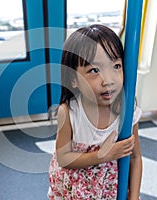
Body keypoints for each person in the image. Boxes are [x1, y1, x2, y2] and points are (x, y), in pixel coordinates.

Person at [47, 24, 142, 199]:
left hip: (108, 191)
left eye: (116, 66)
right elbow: (64, 158)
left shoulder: (127, 111)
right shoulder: (69, 112)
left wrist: (134, 196)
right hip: (75, 191)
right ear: (73, 79)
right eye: (94, 70)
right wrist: (103, 155)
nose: (108, 80)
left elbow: (135, 158)